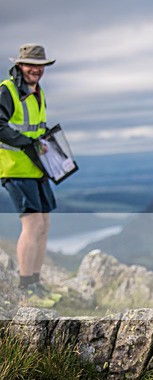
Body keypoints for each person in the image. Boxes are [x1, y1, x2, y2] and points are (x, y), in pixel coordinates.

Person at [0, 44, 61, 307]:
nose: (35, 70)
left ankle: (36, 283)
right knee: (33, 225)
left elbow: (36, 126)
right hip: (15, 167)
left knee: (44, 225)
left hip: (37, 167)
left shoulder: (38, 92)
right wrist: (27, 142)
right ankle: (26, 287)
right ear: (20, 65)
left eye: (40, 65)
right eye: (30, 65)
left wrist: (48, 142)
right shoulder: (7, 90)